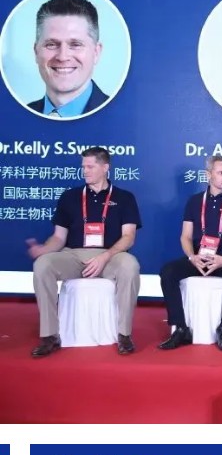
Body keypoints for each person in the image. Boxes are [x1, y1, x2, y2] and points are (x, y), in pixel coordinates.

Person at [25, 146, 141, 356]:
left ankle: (124, 333)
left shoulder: (125, 197)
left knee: (130, 265)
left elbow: (129, 236)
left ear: (105, 167)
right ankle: (50, 335)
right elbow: (59, 237)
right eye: (83, 167)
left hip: (110, 256)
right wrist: (44, 249)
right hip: (74, 255)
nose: (84, 171)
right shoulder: (69, 196)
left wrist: (105, 256)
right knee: (42, 265)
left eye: (90, 166)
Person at [157, 155, 222, 352]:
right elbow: (185, 236)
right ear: (208, 175)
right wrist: (192, 257)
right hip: (200, 257)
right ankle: (180, 328)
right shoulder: (194, 202)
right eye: (221, 173)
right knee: (168, 271)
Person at [28, 0, 108, 118]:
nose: (62, 57)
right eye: (51, 44)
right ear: (36, 52)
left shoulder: (122, 117)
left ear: (96, 52)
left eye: (75, 44)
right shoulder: (13, 117)